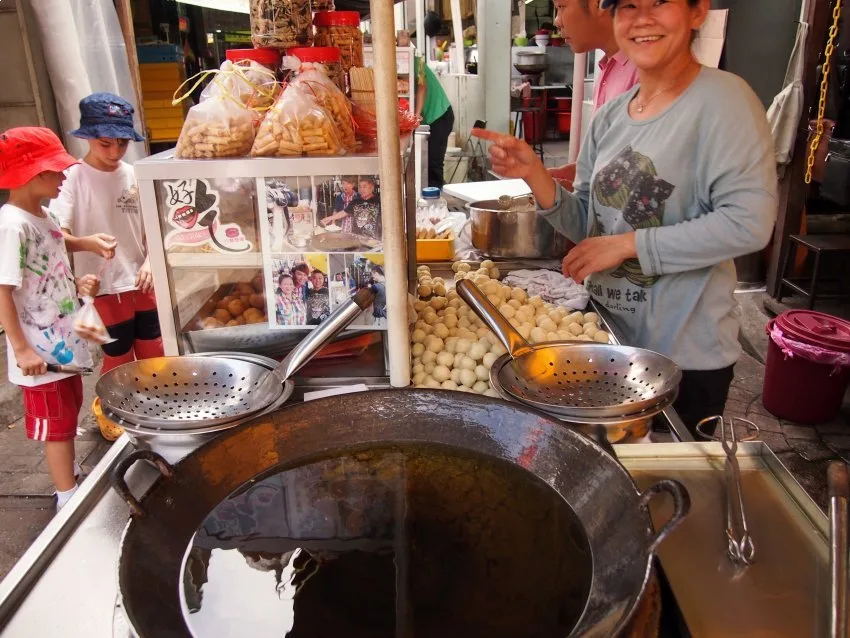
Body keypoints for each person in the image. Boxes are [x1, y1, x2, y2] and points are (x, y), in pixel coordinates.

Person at [472, 0, 778, 436]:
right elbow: (588, 227)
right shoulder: (612, 116)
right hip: (609, 345)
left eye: (659, 3)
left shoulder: (725, 101)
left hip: (684, 359)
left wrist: (629, 245)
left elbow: (748, 223)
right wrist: (534, 174)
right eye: (627, 6)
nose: (642, 19)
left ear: (696, 12)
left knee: (669, 487)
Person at [0, 127, 112, 511]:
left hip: (62, 346)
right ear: (32, 174)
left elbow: (54, 245)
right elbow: (3, 289)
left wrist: (84, 251)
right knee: (57, 427)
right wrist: (20, 350)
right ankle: (67, 497)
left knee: (69, 410)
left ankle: (70, 480)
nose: (63, 175)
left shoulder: (40, 214)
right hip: (40, 355)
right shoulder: (11, 225)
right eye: (55, 170)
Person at [51, 92, 163, 374]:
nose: (114, 152)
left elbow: (153, 226)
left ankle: (159, 411)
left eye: (122, 143)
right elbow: (55, 237)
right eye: (105, 143)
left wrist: (151, 261)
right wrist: (85, 243)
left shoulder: (135, 175)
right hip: (103, 288)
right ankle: (117, 414)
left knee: (156, 353)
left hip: (143, 282)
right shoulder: (70, 178)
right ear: (87, 137)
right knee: (118, 357)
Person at [549, 0, 640, 190]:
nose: (557, 21)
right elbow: (611, 161)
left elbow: (642, 173)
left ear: (596, 4)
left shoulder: (644, 73)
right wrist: (577, 174)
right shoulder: (607, 68)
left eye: (561, 7)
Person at [414, 54, 454, 189]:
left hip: (441, 115)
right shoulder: (410, 62)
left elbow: (422, 86)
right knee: (429, 163)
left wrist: (416, 115)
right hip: (433, 118)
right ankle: (433, 195)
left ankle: (436, 201)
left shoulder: (413, 62)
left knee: (434, 163)